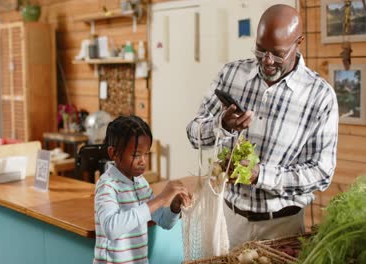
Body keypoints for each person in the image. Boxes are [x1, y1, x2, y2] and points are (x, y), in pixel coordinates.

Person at [186, 4, 338, 249]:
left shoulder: (320, 96)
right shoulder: (231, 74)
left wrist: (260, 175)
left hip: (282, 227)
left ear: (299, 42)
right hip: (229, 220)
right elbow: (193, 133)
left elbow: (321, 173)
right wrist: (221, 125)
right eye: (260, 50)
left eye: (277, 53)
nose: (267, 61)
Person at [94, 115, 191, 263]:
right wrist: (160, 199)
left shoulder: (140, 183)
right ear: (113, 153)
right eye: (135, 155)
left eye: (146, 154)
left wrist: (174, 207)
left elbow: (164, 221)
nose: (143, 161)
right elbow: (111, 228)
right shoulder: (107, 185)